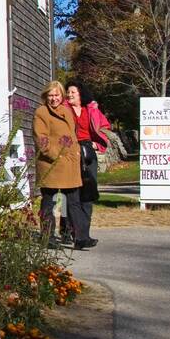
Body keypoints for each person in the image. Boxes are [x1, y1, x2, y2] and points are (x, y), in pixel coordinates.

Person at [33, 81, 93, 250]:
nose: (54, 99)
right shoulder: (41, 112)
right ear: (46, 96)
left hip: (69, 165)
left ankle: (81, 237)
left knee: (73, 202)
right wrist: (56, 156)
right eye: (51, 95)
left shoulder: (66, 111)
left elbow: (72, 136)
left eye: (57, 95)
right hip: (51, 164)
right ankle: (48, 237)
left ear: (61, 96)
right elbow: (41, 139)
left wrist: (75, 154)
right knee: (50, 202)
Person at [63, 82, 108, 245]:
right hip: (71, 152)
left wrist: (98, 143)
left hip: (88, 152)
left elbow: (105, 128)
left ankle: (84, 233)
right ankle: (69, 231)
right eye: (68, 92)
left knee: (87, 194)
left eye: (73, 92)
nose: (69, 94)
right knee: (71, 194)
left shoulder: (92, 110)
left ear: (81, 94)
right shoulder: (63, 109)